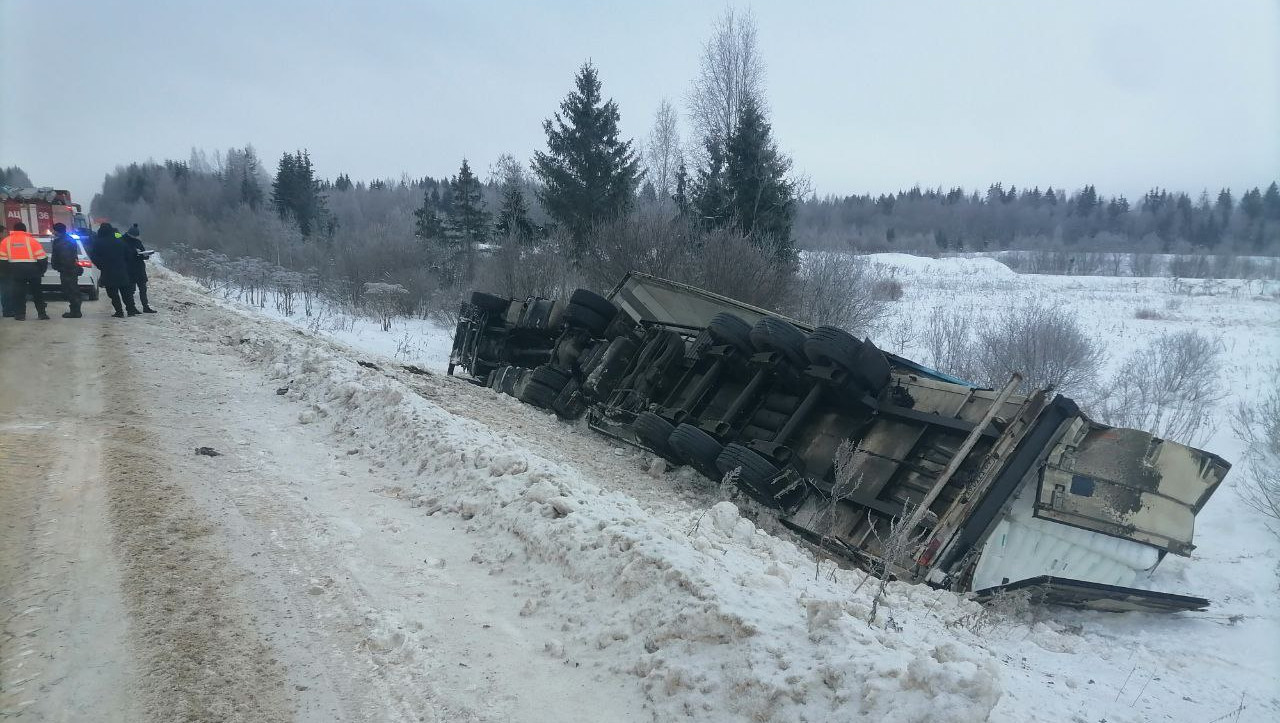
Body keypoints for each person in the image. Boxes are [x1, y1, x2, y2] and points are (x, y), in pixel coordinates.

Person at [0, 221, 50, 320]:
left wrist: (8, 273)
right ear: (25, 230)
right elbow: (42, 258)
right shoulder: (32, 241)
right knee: (37, 293)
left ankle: (20, 315)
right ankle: (42, 314)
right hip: (33, 270)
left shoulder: (5, 241)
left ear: (14, 230)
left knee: (19, 293)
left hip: (16, 271)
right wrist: (41, 271)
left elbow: (2, 260)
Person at [88, 223, 139, 318]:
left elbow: (94, 256)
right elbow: (129, 255)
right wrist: (124, 263)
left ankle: (119, 311)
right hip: (122, 270)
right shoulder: (120, 240)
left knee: (113, 294)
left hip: (108, 272)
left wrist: (101, 265)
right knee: (126, 292)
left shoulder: (98, 242)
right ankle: (131, 310)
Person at [49, 222, 84, 318]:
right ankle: (75, 310)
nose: (53, 232)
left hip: (68, 270)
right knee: (71, 290)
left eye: (54, 230)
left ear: (57, 231)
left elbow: (66, 257)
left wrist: (62, 267)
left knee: (71, 290)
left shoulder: (63, 242)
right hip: (68, 269)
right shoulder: (66, 240)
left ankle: (75, 312)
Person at [121, 223, 155, 313]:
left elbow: (144, 254)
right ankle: (132, 307)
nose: (135, 237)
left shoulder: (138, 242)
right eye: (134, 235)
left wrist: (145, 255)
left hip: (139, 268)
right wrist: (134, 253)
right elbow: (123, 255)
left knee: (143, 289)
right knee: (131, 290)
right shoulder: (122, 241)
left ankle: (145, 306)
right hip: (129, 269)